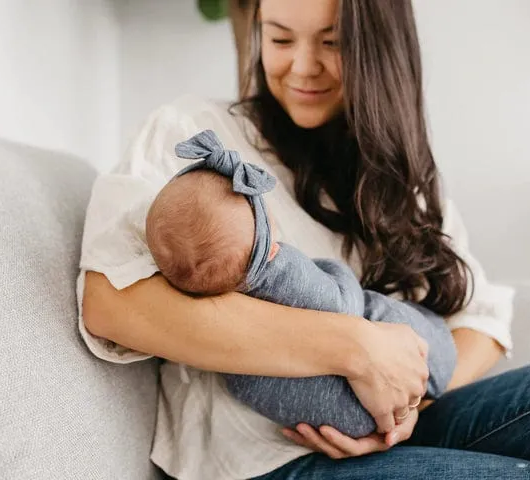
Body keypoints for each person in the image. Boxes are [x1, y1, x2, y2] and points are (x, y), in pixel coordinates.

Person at [77, 0, 530, 479]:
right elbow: (112, 300)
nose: (302, 66)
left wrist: (407, 398)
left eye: (333, 42)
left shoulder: (394, 173)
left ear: (379, 50)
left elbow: (480, 317)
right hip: (269, 459)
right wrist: (355, 348)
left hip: (411, 425)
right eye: (279, 37)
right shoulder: (195, 135)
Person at [145, 128, 456, 438]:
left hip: (331, 418)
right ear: (266, 240)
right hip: (368, 398)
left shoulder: (212, 312)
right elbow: (341, 306)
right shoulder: (280, 269)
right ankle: (433, 362)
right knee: (373, 309)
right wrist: (337, 270)